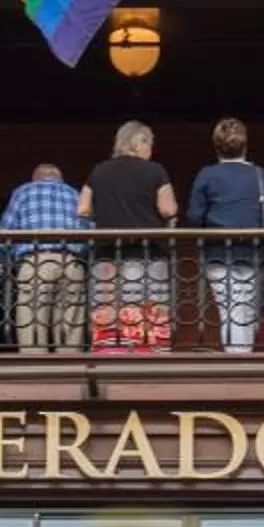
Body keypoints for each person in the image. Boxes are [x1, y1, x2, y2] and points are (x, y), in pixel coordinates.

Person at [185, 118, 264, 353]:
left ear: (216, 146)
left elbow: (194, 217)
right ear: (245, 145)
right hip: (255, 253)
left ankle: (239, 362)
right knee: (247, 310)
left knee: (231, 309)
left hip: (218, 252)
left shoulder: (207, 176)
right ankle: (244, 357)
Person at [78, 120, 178, 354]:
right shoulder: (155, 171)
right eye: (149, 144)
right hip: (147, 252)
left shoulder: (99, 170)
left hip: (106, 253)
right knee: (149, 308)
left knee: (108, 310)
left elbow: (82, 208)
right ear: (139, 142)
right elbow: (168, 209)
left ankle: (110, 356)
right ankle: (149, 357)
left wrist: (104, 211)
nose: (150, 150)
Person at [0, 162, 90, 353]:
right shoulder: (74, 194)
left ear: (35, 177)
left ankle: (36, 370)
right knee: (70, 324)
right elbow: (89, 230)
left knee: (33, 322)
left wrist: (0, 259)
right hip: (70, 262)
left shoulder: (23, 192)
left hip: (35, 262)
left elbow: (5, 232)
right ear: (59, 178)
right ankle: (70, 369)